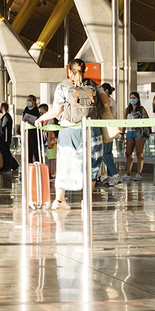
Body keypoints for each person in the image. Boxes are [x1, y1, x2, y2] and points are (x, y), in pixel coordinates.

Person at [34, 58, 99, 209]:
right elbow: (105, 102)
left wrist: (41, 119)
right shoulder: (93, 85)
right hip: (91, 128)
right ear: (85, 70)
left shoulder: (63, 87)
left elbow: (57, 111)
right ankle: (87, 200)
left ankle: (60, 200)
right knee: (92, 162)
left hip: (69, 130)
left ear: (69, 70)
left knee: (65, 163)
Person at [120, 85, 148, 182]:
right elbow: (124, 122)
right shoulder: (127, 110)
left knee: (139, 153)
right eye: (130, 98)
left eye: (134, 98)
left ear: (138, 99)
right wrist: (122, 134)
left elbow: (147, 121)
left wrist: (138, 125)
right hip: (129, 133)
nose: (132, 100)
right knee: (128, 153)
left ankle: (139, 173)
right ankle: (128, 172)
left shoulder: (141, 109)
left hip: (139, 132)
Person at [0, 103, 18, 172]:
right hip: (3, 137)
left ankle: (8, 166)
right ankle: (9, 165)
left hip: (5, 138)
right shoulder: (5, 117)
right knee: (4, 152)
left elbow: (3, 126)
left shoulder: (6, 117)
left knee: (6, 152)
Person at [22, 95, 42, 163]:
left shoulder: (37, 110)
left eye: (29, 100)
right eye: (27, 100)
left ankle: (37, 163)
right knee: (28, 150)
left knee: (35, 149)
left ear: (33, 102)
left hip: (34, 133)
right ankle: (29, 164)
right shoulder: (26, 109)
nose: (28, 102)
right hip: (27, 132)